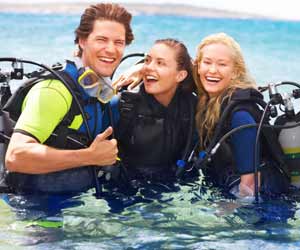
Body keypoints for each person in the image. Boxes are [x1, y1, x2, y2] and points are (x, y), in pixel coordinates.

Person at [3, 3, 134, 194]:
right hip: (32, 210)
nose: (111, 49)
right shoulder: (54, 91)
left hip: (70, 203)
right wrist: (89, 156)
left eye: (118, 42)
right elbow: (15, 157)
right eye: (101, 40)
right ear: (82, 40)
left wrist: (141, 68)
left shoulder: (96, 91)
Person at [193, 32, 290, 199]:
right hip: (242, 188)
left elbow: (250, 182)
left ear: (236, 71)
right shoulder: (211, 99)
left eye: (222, 64)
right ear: (198, 66)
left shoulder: (240, 112)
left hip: (263, 195)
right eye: (207, 62)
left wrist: (231, 208)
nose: (212, 70)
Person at [116, 38, 197, 183]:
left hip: (173, 187)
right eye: (147, 61)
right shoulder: (125, 105)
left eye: (160, 63)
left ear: (180, 75)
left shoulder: (192, 107)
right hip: (125, 189)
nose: (148, 67)